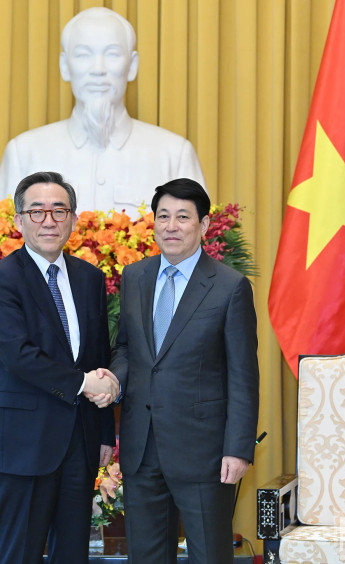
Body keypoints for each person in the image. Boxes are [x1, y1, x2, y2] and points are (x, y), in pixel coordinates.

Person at [109, 178, 260, 564]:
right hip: (142, 449)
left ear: (204, 226)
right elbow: (127, 347)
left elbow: (243, 374)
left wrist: (238, 448)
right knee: (146, 556)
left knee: (209, 555)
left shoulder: (229, 287)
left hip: (205, 454)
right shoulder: (135, 278)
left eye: (182, 217)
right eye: (163, 216)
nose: (171, 226)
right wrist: (113, 381)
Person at [0, 171, 120, 564]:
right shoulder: (1, 279)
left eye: (60, 210)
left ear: (74, 220)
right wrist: (82, 384)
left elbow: (98, 357)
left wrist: (105, 431)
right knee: (19, 551)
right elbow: (16, 354)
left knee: (73, 550)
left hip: (81, 440)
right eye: (37, 211)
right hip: (23, 441)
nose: (49, 220)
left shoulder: (90, 278)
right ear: (19, 220)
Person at [0, 7, 207, 218]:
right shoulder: (24, 152)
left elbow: (199, 244)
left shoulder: (174, 154)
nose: (98, 69)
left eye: (112, 54)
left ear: (132, 65)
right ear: (65, 65)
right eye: (84, 55)